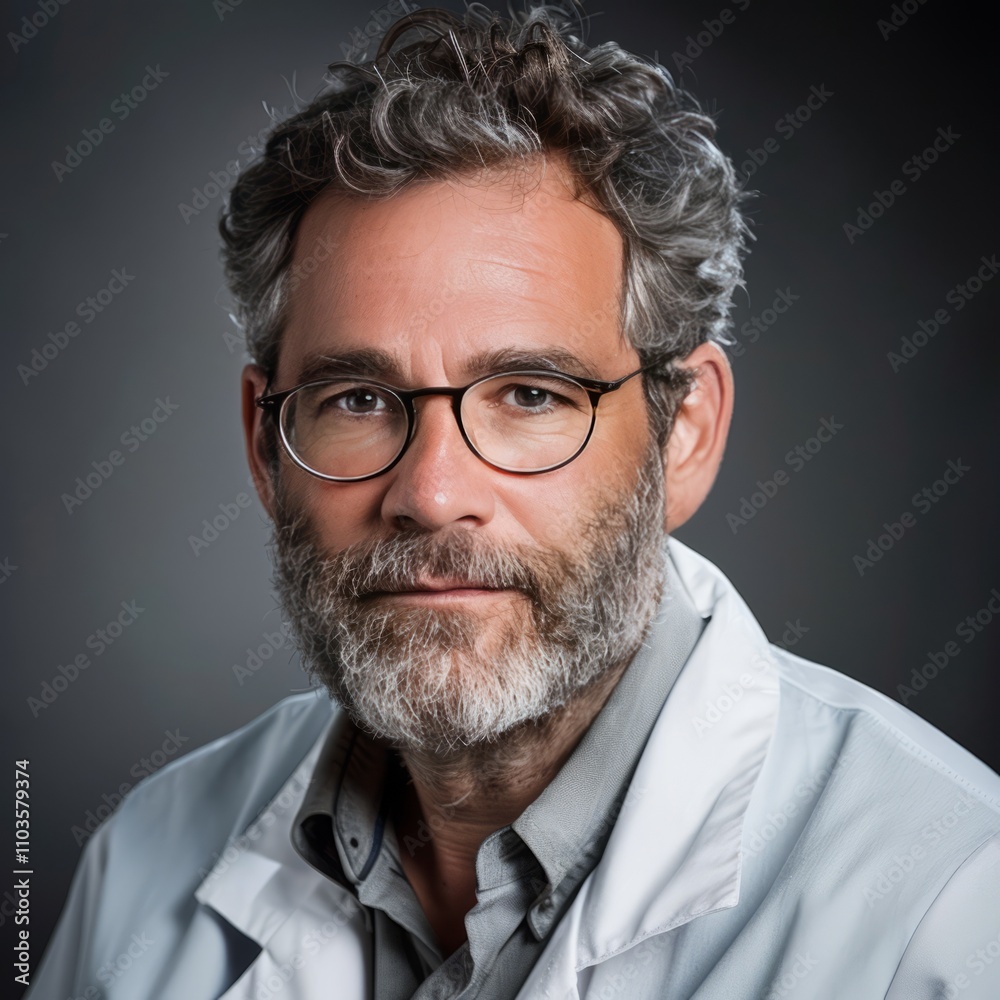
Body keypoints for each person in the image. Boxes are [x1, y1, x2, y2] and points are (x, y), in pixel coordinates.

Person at [28, 5, 1000, 999]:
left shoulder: (949, 907)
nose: (432, 492)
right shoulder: (140, 868)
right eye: (357, 400)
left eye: (531, 394)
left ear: (686, 431)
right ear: (261, 444)